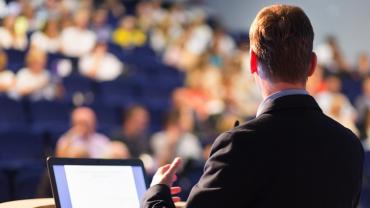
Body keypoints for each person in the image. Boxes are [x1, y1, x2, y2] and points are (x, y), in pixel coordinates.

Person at [142, 5, 364, 208]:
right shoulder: (349, 146)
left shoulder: (240, 145)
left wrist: (156, 191)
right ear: (312, 64)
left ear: (252, 62)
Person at [56, 107, 129, 159]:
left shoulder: (101, 139)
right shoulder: (67, 140)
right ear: (74, 124)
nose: (85, 127)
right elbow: (59, 160)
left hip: (99, 173)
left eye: (88, 123)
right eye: (81, 123)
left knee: (119, 148)